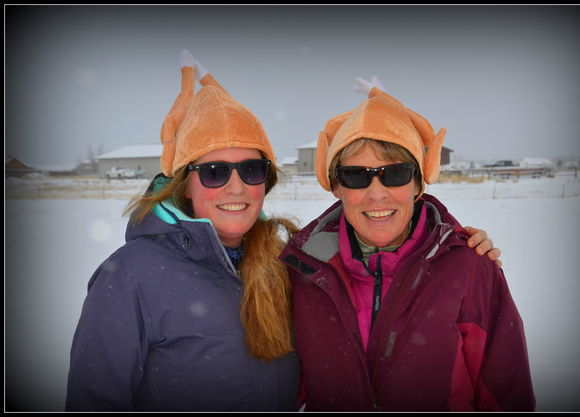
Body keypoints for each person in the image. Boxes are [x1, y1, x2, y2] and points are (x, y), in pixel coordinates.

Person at [66, 51, 501, 411]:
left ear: (266, 181)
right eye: (215, 171)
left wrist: (453, 245)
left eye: (252, 169)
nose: (235, 186)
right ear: (186, 182)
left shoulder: (288, 266)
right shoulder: (130, 276)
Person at [279, 78, 535, 411]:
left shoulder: (471, 269)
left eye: (395, 173)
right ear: (337, 187)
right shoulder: (300, 272)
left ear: (418, 183)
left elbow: (506, 395)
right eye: (356, 175)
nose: (376, 192)